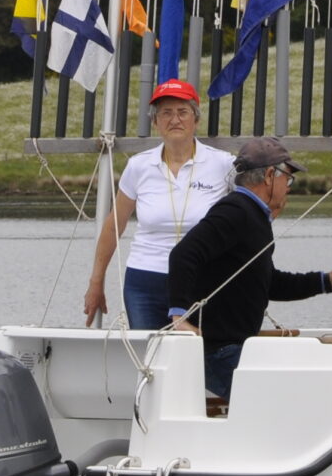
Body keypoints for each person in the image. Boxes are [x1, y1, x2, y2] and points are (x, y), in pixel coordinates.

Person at [165, 137, 332, 406]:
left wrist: (328, 280)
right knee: (287, 403)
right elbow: (183, 254)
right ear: (271, 175)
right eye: (288, 178)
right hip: (219, 350)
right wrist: (179, 317)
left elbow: (268, 283)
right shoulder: (235, 210)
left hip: (234, 348)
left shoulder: (253, 216)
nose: (289, 187)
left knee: (294, 397)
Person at [81, 79, 235, 330]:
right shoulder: (139, 166)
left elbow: (256, 206)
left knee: (198, 357)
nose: (175, 119)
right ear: (155, 122)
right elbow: (113, 227)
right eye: (166, 113)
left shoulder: (223, 164)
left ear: (196, 120)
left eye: (182, 112)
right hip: (145, 280)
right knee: (149, 359)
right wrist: (96, 282)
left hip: (203, 279)